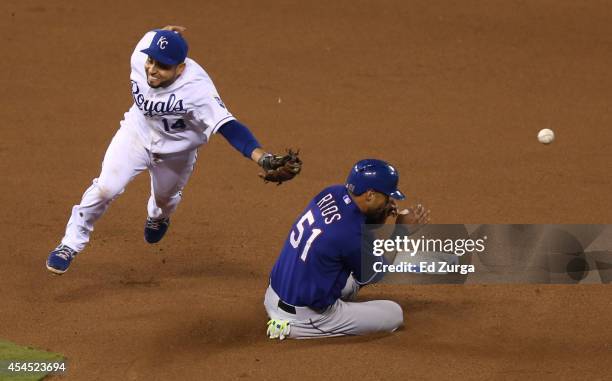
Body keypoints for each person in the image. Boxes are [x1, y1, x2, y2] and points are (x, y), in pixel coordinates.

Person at [46, 26, 301, 275]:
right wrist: (166, 33)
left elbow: (229, 126)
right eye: (152, 61)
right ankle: (70, 243)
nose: (152, 70)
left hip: (177, 153)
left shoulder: (198, 89)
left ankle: (158, 217)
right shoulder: (141, 54)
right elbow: (157, 37)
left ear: (181, 68)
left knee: (164, 200)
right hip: (136, 135)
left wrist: (261, 156)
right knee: (106, 188)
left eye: (163, 66)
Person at [264, 159, 430, 339]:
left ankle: (288, 315)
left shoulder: (331, 192)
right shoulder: (350, 233)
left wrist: (380, 213)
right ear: (370, 195)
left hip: (273, 294)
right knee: (394, 313)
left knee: (347, 278)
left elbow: (356, 232)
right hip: (305, 316)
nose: (390, 201)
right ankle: (292, 328)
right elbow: (376, 272)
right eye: (387, 196)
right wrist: (400, 232)